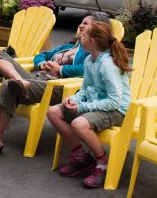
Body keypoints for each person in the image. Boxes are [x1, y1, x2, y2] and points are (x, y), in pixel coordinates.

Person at [0, 12, 111, 161]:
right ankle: (19, 81)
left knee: (8, 85)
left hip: (57, 86)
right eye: (81, 22)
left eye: (86, 23)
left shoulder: (91, 52)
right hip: (37, 78)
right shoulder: (69, 46)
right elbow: (41, 55)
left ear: (97, 30)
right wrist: (41, 63)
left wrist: (60, 70)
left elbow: (87, 70)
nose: (80, 26)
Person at [46, 21, 131, 188]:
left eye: (83, 35)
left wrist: (82, 107)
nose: (79, 36)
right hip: (97, 105)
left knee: (79, 124)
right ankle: (81, 158)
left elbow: (114, 101)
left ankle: (102, 164)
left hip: (116, 110)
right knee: (53, 112)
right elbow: (85, 89)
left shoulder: (107, 65)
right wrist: (74, 99)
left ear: (92, 41)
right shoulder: (90, 61)